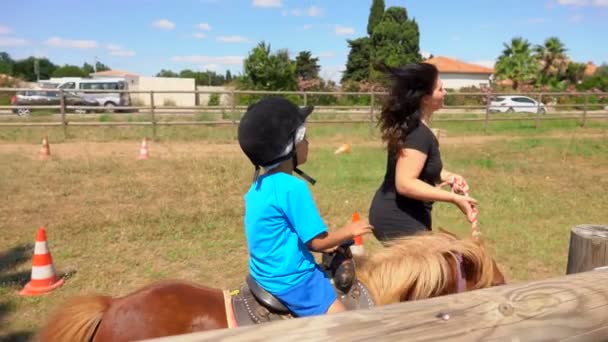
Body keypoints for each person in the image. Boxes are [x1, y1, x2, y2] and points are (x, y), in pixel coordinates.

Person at [238, 97, 373, 317]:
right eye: (304, 138)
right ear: (289, 146)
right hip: (293, 281)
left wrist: (331, 242)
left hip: (264, 274)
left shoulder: (257, 187)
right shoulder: (292, 187)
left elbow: (283, 235)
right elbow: (317, 243)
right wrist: (350, 230)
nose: (308, 143)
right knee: (347, 324)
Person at [368, 63, 477, 243]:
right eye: (441, 89)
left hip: (404, 215)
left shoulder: (418, 130)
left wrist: (449, 177)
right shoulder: (418, 134)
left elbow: (420, 169)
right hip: (398, 218)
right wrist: (454, 198)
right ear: (426, 98)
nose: (445, 93)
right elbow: (405, 183)